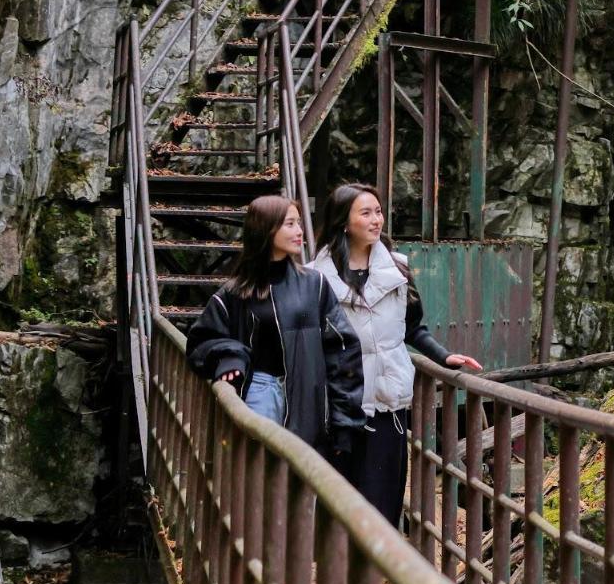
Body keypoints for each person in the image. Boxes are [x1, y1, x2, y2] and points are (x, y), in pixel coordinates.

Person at [308, 183, 482, 525]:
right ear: (344, 222)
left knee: (382, 500)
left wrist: (443, 356)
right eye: (366, 213)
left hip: (388, 404)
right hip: (340, 404)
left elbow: (414, 328)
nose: (377, 220)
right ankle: (336, 573)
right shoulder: (315, 279)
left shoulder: (398, 271)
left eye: (378, 211)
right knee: (337, 500)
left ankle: (373, 576)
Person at [185, 195, 367, 454]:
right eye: (290, 224)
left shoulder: (314, 285)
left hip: (306, 396)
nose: (300, 231)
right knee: (260, 478)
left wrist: (345, 423)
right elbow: (200, 342)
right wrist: (230, 357)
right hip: (258, 392)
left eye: (299, 223)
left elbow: (344, 351)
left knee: (299, 484)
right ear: (265, 230)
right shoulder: (234, 293)